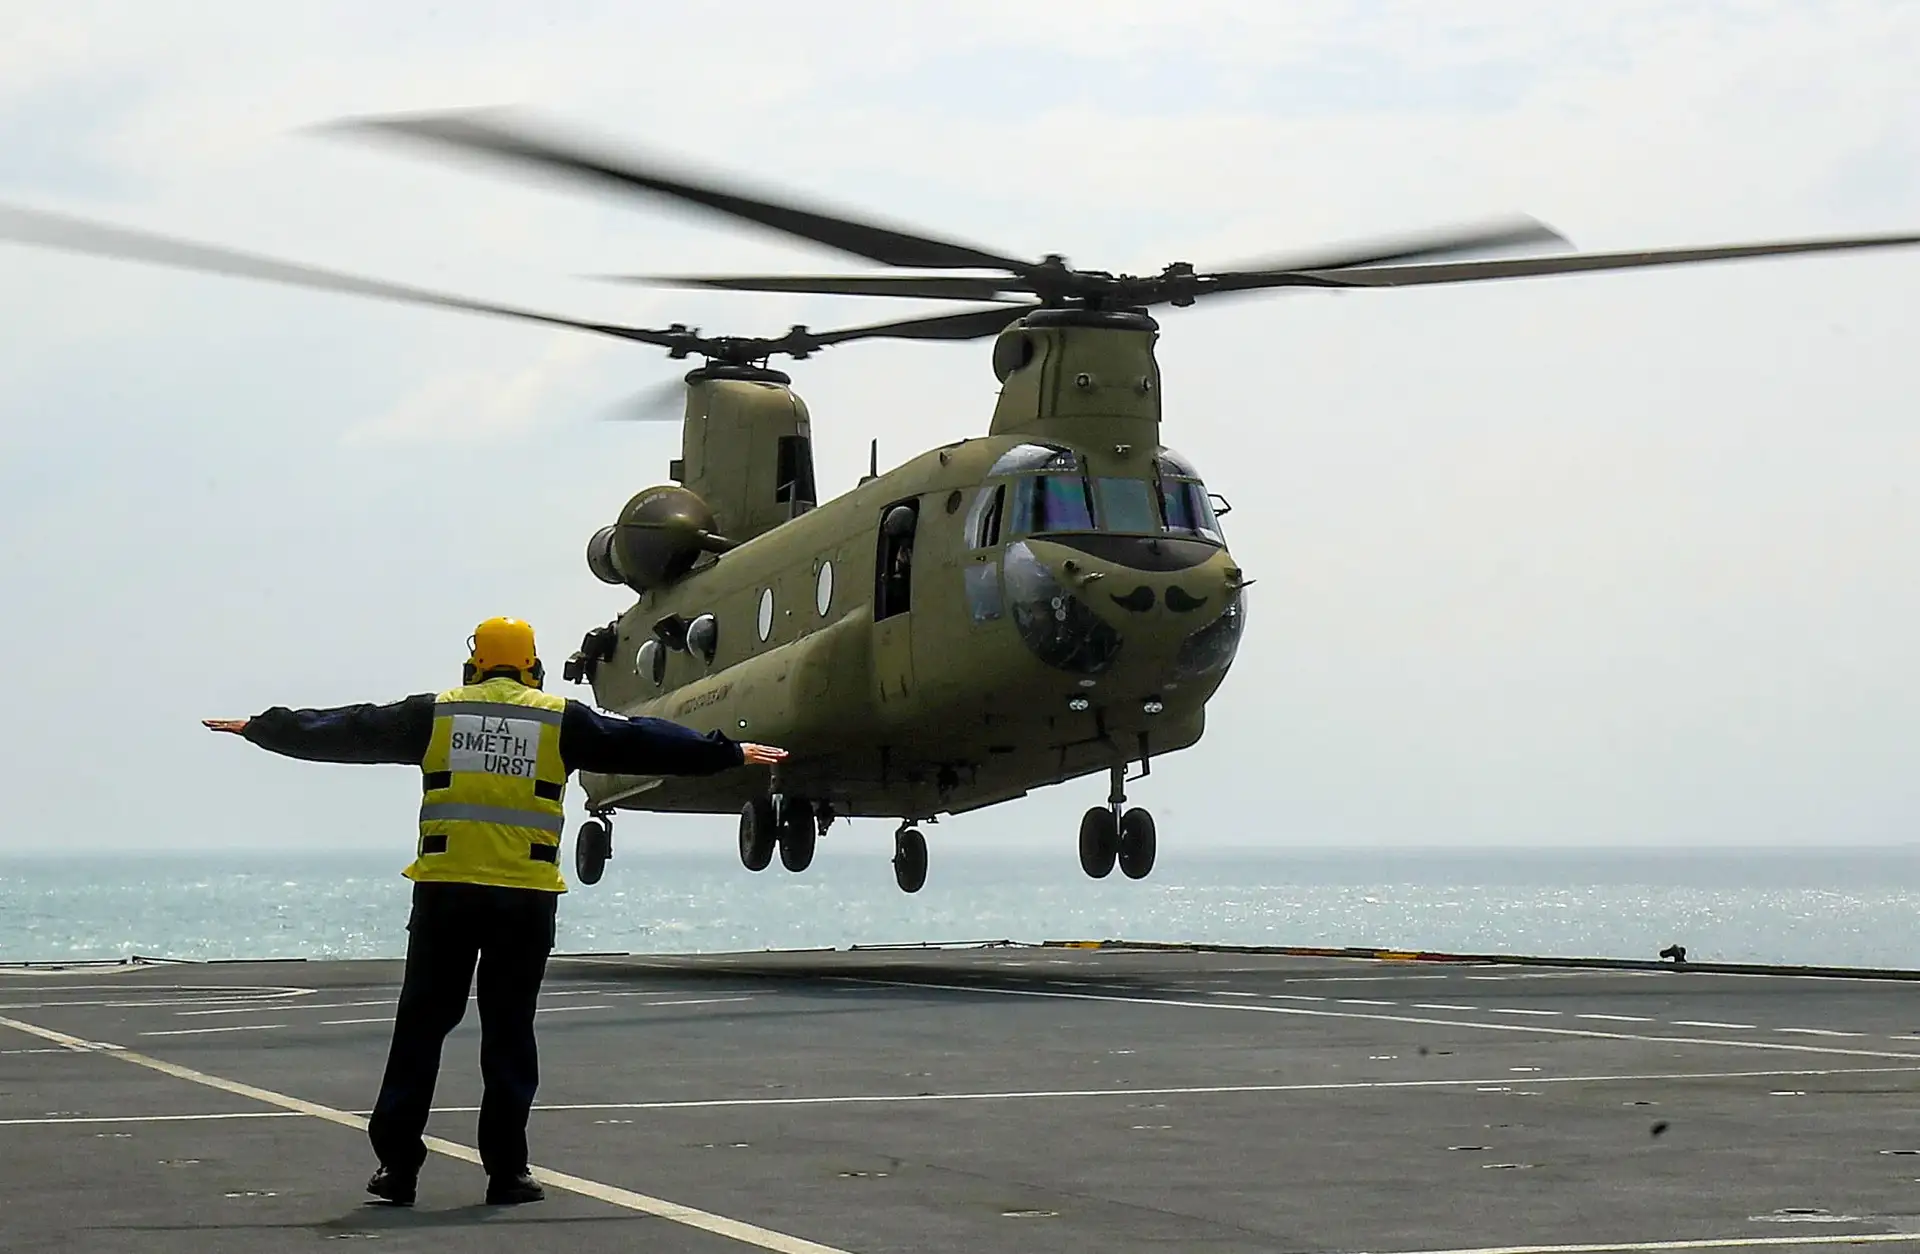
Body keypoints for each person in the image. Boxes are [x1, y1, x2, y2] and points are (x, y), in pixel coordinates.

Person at [204, 616, 787, 1208]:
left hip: (445, 894)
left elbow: (348, 728)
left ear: (475, 663)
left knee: (421, 1031)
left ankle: (398, 1168)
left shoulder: (437, 714)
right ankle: (507, 1173)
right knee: (509, 1034)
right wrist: (729, 752)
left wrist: (264, 728)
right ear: (531, 664)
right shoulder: (562, 719)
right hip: (523, 899)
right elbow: (639, 739)